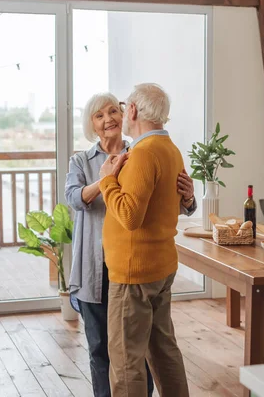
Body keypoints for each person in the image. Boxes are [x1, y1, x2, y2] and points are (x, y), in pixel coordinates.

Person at [65, 92, 196, 397]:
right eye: (99, 115)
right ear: (92, 125)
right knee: (105, 350)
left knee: (132, 357)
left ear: (128, 113)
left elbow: (148, 210)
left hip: (131, 266)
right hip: (97, 268)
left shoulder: (140, 152)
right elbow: (74, 198)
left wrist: (188, 197)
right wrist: (106, 178)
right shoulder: (83, 160)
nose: (108, 118)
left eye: (113, 111)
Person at [99, 83, 191, 397]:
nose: (122, 113)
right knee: (163, 351)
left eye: (124, 107)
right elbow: (172, 202)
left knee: (126, 362)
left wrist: (106, 182)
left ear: (134, 110)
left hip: (133, 273)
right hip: (161, 267)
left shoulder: (142, 153)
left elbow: (129, 216)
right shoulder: (171, 150)